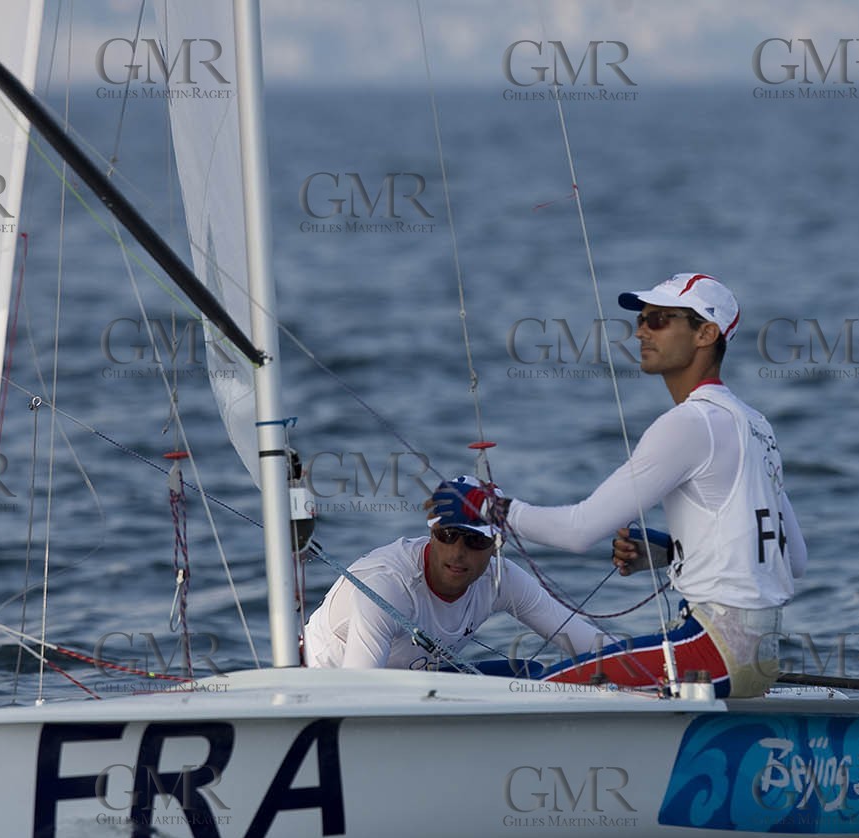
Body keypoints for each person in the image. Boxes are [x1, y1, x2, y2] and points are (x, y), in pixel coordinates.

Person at [430, 272, 806, 697]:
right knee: (532, 674)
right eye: (641, 320)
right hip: (759, 659)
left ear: (706, 333)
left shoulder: (688, 424)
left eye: (661, 319)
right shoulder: (755, 425)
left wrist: (487, 505)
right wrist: (672, 552)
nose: (642, 330)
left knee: (537, 691)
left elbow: (579, 531)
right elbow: (792, 560)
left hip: (709, 653)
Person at [304, 476, 611, 672]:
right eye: (448, 535)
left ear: (496, 546)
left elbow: (593, 647)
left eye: (475, 540)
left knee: (529, 676)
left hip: (411, 687)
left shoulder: (500, 579)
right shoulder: (389, 585)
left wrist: (648, 672)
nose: (458, 553)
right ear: (432, 532)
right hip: (321, 686)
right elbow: (358, 694)